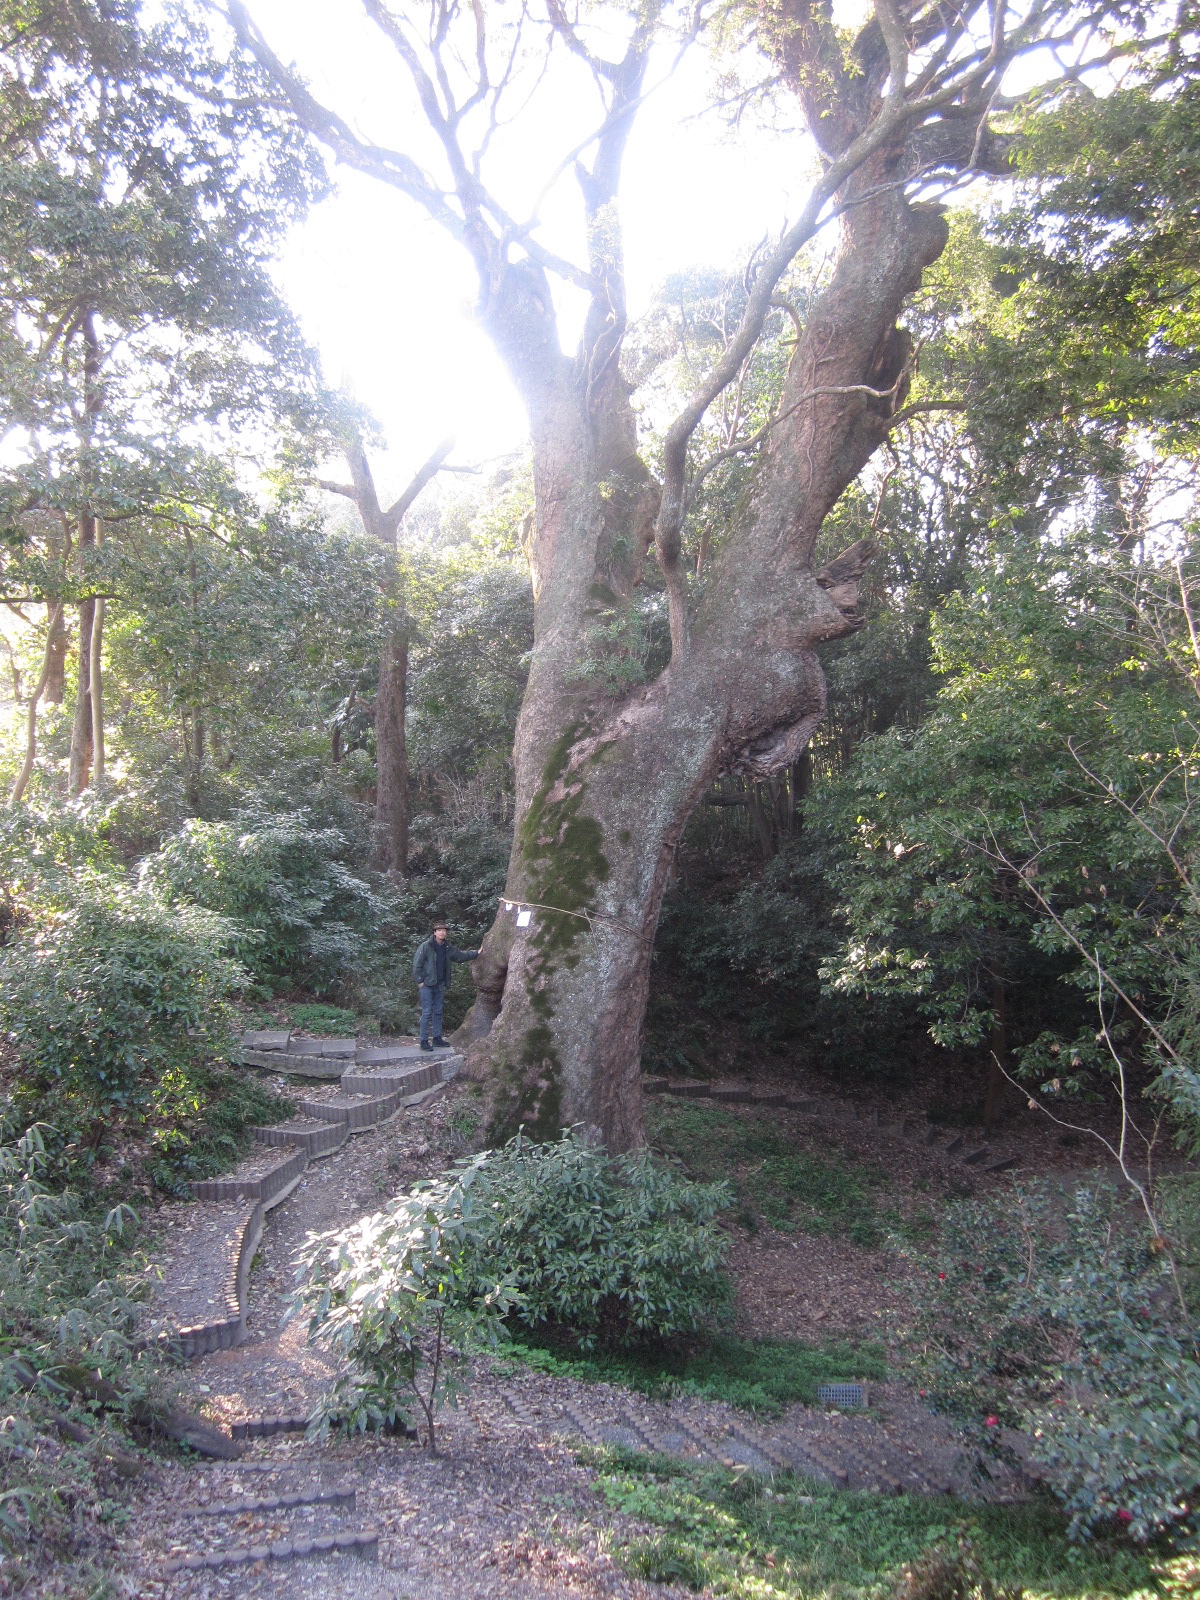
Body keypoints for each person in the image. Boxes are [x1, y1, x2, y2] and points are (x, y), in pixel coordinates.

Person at [412, 923, 479, 1051]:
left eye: (443, 930)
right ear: (434, 933)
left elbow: (460, 956)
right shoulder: (426, 946)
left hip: (440, 984)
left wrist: (476, 953)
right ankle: (424, 1041)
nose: (442, 932)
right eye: (439, 930)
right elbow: (417, 964)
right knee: (426, 1012)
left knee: (438, 1011)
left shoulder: (447, 947)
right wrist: (420, 981)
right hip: (427, 984)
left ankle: (437, 1038)